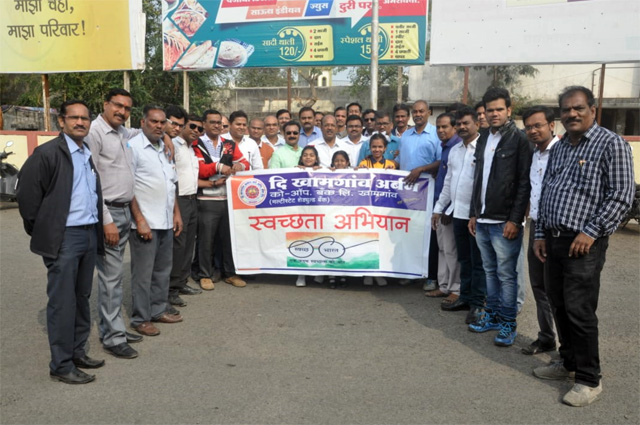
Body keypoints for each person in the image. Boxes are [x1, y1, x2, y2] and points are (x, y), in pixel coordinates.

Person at [532, 86, 634, 407]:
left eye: (578, 108)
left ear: (592, 109)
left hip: (584, 244)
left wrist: (590, 232)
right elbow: (548, 191)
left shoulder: (611, 144)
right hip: (553, 239)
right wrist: (539, 233)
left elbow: (621, 196)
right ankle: (568, 362)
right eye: (566, 109)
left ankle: (590, 379)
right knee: (559, 304)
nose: (571, 114)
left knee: (579, 310)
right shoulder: (561, 147)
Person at [18, 99, 105, 384]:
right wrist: (47, 230)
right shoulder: (47, 154)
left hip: (88, 233)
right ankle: (61, 364)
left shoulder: (85, 152)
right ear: (61, 121)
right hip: (65, 238)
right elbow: (28, 200)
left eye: (85, 118)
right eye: (74, 118)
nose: (80, 122)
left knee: (81, 298)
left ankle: (77, 352)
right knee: (62, 302)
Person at [467, 88, 532, 347]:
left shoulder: (519, 139)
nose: (494, 114)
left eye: (499, 109)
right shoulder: (483, 137)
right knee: (490, 272)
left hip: (504, 221)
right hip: (483, 219)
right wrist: (474, 213)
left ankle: (508, 323)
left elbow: (524, 183)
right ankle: (492, 316)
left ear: (509, 110)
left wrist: (515, 220)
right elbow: (478, 179)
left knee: (506, 276)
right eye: (489, 110)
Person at [84, 88, 142, 360]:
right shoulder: (95, 133)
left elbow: (141, 131)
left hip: (124, 211)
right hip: (108, 213)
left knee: (115, 277)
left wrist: (165, 135)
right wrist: (106, 220)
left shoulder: (121, 132)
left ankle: (114, 326)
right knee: (110, 278)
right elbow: (91, 179)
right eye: (117, 105)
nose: (122, 111)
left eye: (127, 108)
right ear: (105, 104)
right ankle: (113, 337)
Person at [128, 105, 184, 337]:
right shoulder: (133, 147)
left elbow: (170, 184)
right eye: (154, 121)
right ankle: (140, 318)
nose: (159, 126)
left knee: (162, 270)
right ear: (143, 122)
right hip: (145, 223)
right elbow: (128, 187)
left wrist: (176, 213)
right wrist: (139, 219)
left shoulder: (165, 148)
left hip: (166, 220)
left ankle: (158, 310)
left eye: (163, 122)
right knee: (143, 274)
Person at [437, 107, 486, 323]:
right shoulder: (455, 150)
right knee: (464, 259)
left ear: (477, 123)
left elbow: (484, 184)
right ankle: (464, 297)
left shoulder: (484, 148)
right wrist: (439, 208)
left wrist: (477, 213)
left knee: (478, 262)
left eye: (466, 123)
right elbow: (448, 182)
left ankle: (478, 304)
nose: (462, 127)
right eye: (459, 124)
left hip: (476, 215)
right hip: (457, 213)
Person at [193, 109, 250, 290]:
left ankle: (230, 273)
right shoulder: (196, 143)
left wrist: (238, 165)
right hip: (206, 198)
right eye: (212, 122)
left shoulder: (228, 144)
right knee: (206, 240)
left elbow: (245, 162)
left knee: (229, 239)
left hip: (229, 199)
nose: (217, 125)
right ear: (204, 124)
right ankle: (205, 274)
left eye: (219, 122)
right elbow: (199, 170)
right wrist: (219, 167)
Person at [519, 105, 560, 355]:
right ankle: (546, 337)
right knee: (538, 285)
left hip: (556, 229)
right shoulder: (534, 154)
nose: (533, 131)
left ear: (551, 125)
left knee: (557, 289)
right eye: (528, 127)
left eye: (538, 125)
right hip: (536, 226)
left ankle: (569, 352)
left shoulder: (563, 153)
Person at [397, 100, 441, 290]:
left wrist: (421, 169)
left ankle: (431, 276)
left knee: (429, 234)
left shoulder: (436, 134)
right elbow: (400, 162)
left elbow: (441, 161)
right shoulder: (406, 135)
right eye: (415, 112)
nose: (418, 114)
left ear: (429, 112)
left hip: (428, 191)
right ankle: (410, 273)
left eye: (421, 111)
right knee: (409, 232)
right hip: (407, 192)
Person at [167, 109, 203, 308]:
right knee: (178, 246)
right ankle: (170, 289)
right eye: (192, 126)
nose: (196, 131)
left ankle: (181, 282)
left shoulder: (191, 149)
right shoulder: (172, 144)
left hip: (192, 199)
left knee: (189, 245)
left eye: (200, 129)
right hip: (178, 200)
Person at [428, 113, 462, 306]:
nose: (441, 130)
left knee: (451, 250)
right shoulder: (445, 147)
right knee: (442, 248)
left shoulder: (457, 148)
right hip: (439, 206)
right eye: (438, 127)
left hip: (449, 210)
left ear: (454, 128)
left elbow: (456, 183)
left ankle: (456, 289)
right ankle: (443, 285)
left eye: (445, 127)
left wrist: (448, 209)